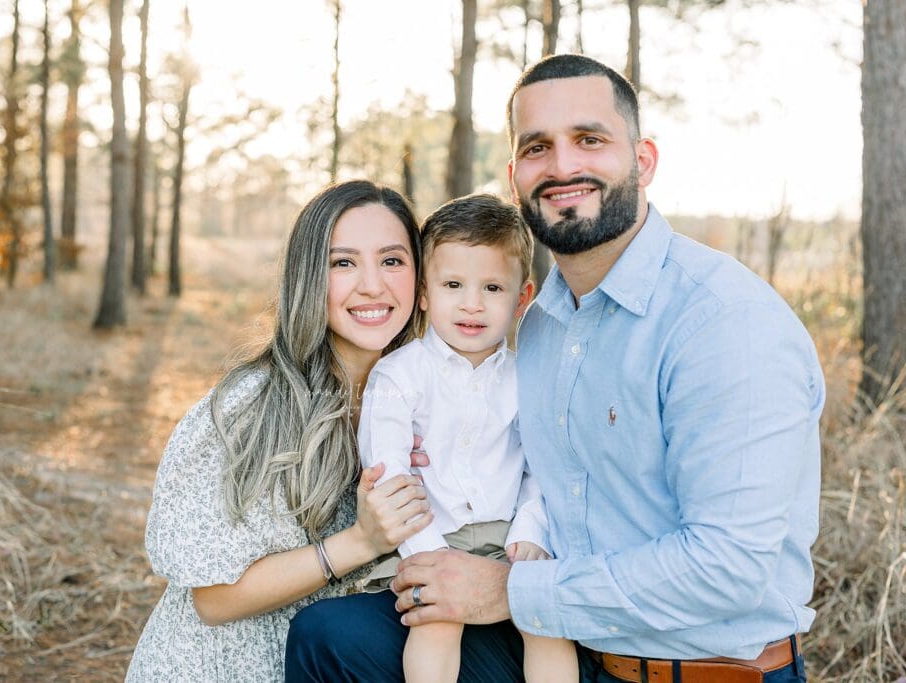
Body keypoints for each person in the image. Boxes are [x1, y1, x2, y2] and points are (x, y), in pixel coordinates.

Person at [286, 55, 824, 683]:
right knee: (330, 638)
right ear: (515, 178)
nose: (563, 167)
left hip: (694, 666)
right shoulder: (542, 323)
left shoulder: (723, 323)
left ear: (644, 160)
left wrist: (511, 590)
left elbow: (728, 569)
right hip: (573, 644)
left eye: (590, 139)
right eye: (538, 147)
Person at [126, 180, 437, 682]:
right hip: (225, 667)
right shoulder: (252, 407)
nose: (372, 285)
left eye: (392, 260)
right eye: (343, 263)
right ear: (307, 277)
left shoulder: (420, 402)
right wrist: (362, 541)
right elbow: (213, 599)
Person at [356, 194, 578, 682]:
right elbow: (388, 473)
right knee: (438, 620)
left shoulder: (526, 378)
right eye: (453, 285)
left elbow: (540, 469)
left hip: (508, 536)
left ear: (522, 297)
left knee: (548, 622)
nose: (472, 304)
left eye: (493, 287)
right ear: (424, 293)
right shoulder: (399, 375)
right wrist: (429, 550)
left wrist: (529, 532)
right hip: (430, 535)